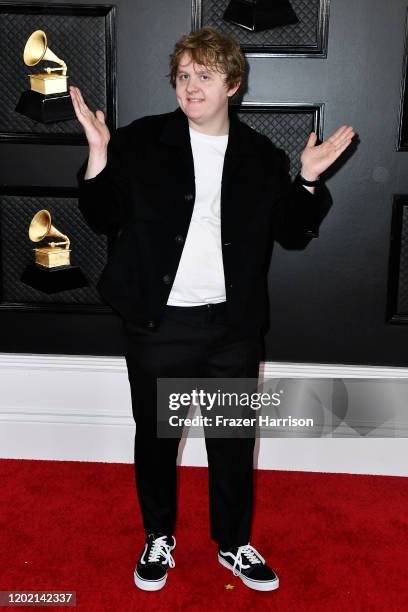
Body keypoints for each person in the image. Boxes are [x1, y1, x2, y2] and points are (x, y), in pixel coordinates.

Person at [71, 26, 354, 593]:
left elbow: (293, 234)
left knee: (231, 440)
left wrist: (308, 179)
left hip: (230, 327)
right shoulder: (142, 141)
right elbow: (102, 216)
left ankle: (232, 543)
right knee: (157, 437)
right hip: (159, 323)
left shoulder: (259, 156)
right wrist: (99, 154)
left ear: (233, 84)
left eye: (203, 75)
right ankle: (158, 536)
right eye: (182, 75)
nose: (190, 86)